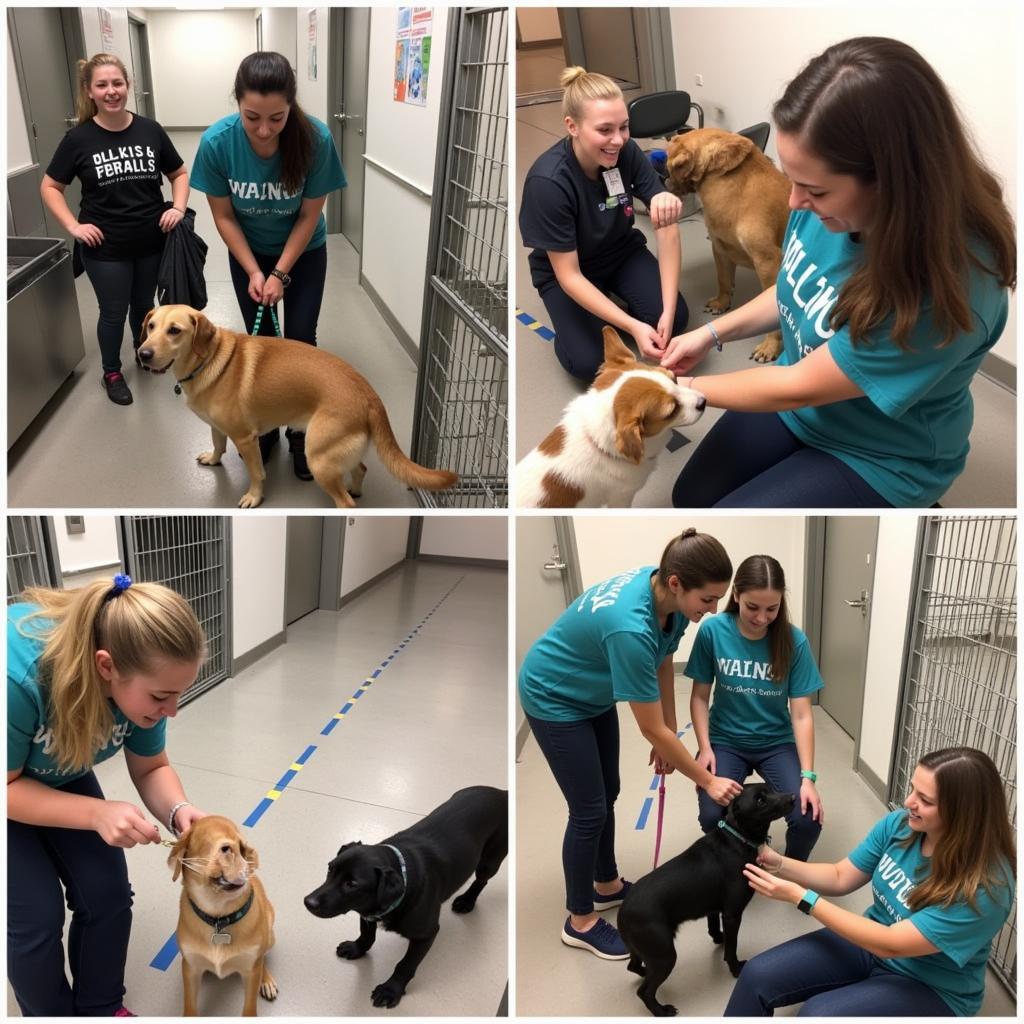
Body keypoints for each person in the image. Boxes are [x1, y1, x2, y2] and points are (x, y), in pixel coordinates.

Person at [659, 37, 1016, 508]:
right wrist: (709, 334)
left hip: (881, 452)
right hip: (805, 400)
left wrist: (673, 391)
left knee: (728, 511)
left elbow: (797, 387)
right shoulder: (825, 202)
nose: (794, 203)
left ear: (891, 181)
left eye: (814, 190)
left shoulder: (954, 284)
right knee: (690, 496)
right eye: (793, 179)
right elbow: (798, 287)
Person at [519, 529, 744, 960]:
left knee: (610, 793)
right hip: (554, 697)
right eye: (708, 600)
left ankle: (606, 884)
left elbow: (662, 659)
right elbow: (649, 728)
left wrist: (671, 730)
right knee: (588, 810)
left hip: (592, 692)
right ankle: (579, 920)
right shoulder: (629, 626)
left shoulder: (665, 597)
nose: (713, 610)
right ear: (677, 583)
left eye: (718, 599)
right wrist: (707, 780)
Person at [7, 576, 209, 1016]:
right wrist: (96, 813)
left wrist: (179, 810)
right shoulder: (16, 678)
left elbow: (151, 765)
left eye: (179, 694)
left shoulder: (144, 677)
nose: (171, 710)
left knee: (108, 894)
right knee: (36, 918)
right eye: (161, 696)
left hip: (54, 771)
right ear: (105, 667)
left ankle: (101, 1006)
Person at [726, 747, 1015, 1016]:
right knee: (757, 975)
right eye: (913, 788)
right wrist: (781, 864)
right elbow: (841, 876)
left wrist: (802, 897)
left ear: (963, 814)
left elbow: (892, 945)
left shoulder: (988, 887)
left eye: (925, 800)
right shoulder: (901, 826)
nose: (908, 802)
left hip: (931, 985)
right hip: (871, 940)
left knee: (816, 1015)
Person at [190, 51, 347, 479]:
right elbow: (223, 216)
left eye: (276, 118)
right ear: (237, 102)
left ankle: (300, 431)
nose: (263, 130)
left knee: (299, 338)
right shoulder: (217, 143)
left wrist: (281, 272)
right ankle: (264, 426)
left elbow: (309, 215)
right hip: (249, 253)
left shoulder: (315, 138)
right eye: (251, 117)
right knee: (259, 341)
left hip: (303, 251)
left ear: (291, 107)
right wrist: (256, 271)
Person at [519, 67, 690, 381]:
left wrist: (666, 309)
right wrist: (633, 326)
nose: (618, 140)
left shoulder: (628, 152)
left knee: (676, 320)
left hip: (620, 252)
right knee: (589, 364)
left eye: (624, 127)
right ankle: (579, 323)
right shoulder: (549, 182)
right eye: (604, 130)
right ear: (572, 126)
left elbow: (667, 229)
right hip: (569, 272)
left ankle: (622, 303)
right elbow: (568, 275)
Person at [41, 53, 190, 407]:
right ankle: (111, 371)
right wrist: (74, 226)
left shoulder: (149, 130)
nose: (111, 91)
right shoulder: (78, 139)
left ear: (128, 86)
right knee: (112, 310)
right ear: (89, 91)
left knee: (144, 306)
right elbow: (50, 186)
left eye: (117, 83)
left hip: (151, 241)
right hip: (104, 248)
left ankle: (144, 355)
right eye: (102, 85)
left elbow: (179, 173)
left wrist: (178, 208)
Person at [686, 555, 824, 861]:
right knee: (712, 816)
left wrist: (808, 778)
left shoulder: (793, 641)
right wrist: (705, 748)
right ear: (736, 595)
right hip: (725, 741)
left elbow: (801, 714)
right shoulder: (713, 632)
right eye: (753, 607)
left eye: (771, 609)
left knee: (807, 817)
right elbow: (699, 697)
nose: (762, 618)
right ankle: (748, 852)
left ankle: (790, 869)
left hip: (776, 742)